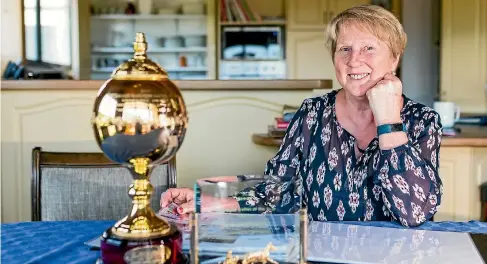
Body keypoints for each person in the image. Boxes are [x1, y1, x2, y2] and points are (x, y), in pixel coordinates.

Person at [160, 4, 443, 227]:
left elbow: (414, 212)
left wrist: (388, 122)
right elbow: (279, 190)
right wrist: (210, 198)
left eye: (369, 47)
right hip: (322, 257)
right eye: (344, 48)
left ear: (394, 58)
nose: (354, 60)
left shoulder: (422, 121)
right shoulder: (312, 113)